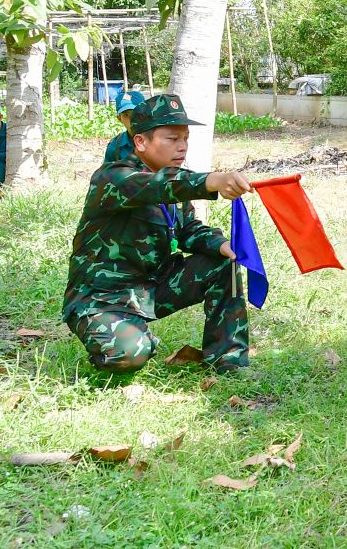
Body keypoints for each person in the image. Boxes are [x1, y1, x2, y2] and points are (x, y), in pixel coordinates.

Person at [62, 94, 253, 375]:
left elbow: (187, 229)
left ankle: (229, 362)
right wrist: (212, 181)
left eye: (185, 139)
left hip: (151, 287)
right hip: (103, 298)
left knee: (223, 264)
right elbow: (157, 186)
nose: (182, 147)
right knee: (131, 353)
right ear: (140, 142)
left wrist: (221, 244)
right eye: (171, 139)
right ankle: (130, 339)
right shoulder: (113, 178)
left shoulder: (173, 180)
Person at [103, 89, 146, 165]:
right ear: (119, 118)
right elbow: (106, 175)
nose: (132, 119)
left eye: (136, 113)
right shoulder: (115, 146)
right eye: (126, 115)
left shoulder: (158, 140)